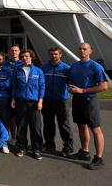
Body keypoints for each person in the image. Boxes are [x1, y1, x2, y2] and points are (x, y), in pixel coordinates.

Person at [68, 42, 107, 170]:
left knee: (95, 129)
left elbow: (104, 86)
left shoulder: (95, 67)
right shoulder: (74, 66)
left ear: (90, 51)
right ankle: (84, 152)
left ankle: (99, 158)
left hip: (90, 101)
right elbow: (72, 81)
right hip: (77, 100)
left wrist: (83, 90)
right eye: (80, 49)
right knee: (81, 126)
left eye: (85, 49)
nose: (82, 51)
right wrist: (72, 88)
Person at [11, 49, 45, 160]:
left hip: (34, 103)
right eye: (22, 56)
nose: (24, 58)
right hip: (20, 102)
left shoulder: (38, 71)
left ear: (31, 57)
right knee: (21, 126)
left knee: (36, 127)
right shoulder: (17, 70)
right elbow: (14, 86)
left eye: (26, 56)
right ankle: (22, 147)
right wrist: (13, 98)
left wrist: (40, 101)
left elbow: (42, 87)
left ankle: (37, 149)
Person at [41, 47, 73, 157]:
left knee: (64, 124)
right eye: (51, 54)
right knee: (48, 123)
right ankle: (49, 144)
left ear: (60, 55)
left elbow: (71, 83)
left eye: (56, 54)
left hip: (61, 100)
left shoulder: (66, 68)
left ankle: (68, 147)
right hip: (47, 100)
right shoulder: (44, 68)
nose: (53, 56)